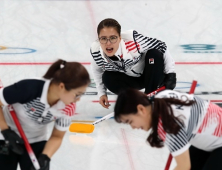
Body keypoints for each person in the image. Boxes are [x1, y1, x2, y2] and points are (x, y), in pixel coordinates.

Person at [0, 59, 90, 170]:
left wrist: (45, 157)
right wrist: (5, 130)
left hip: (36, 140)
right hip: (5, 136)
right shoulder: (29, 88)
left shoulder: (68, 107)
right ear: (61, 86)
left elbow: (57, 136)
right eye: (77, 94)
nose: (78, 99)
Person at [114, 88, 222, 170]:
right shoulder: (161, 97)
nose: (133, 127)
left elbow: (184, 166)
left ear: (141, 109)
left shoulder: (167, 123)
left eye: (130, 121)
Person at [90, 18, 176, 109]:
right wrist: (102, 93)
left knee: (154, 54)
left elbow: (161, 46)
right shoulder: (96, 52)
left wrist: (171, 74)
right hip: (131, 81)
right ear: (98, 40)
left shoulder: (134, 41)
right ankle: (134, 100)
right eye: (103, 39)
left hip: (151, 74)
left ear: (120, 38)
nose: (108, 43)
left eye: (113, 38)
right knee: (107, 77)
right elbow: (97, 70)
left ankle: (150, 99)